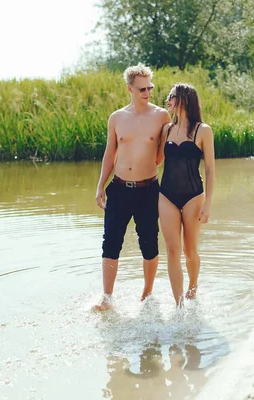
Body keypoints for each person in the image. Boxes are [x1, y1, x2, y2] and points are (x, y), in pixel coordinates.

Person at [94, 63, 171, 311]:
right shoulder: (117, 118)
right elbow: (110, 153)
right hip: (118, 188)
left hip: (148, 189)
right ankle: (107, 299)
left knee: (149, 242)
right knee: (110, 242)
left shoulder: (161, 116)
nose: (147, 93)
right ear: (130, 88)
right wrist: (100, 186)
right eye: (141, 89)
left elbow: (161, 156)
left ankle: (147, 294)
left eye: (150, 88)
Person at [158, 83, 215, 307]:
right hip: (166, 195)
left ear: (183, 99)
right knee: (173, 249)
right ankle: (178, 304)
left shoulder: (203, 130)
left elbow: (210, 168)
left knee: (190, 250)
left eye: (171, 97)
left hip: (193, 196)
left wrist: (208, 203)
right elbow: (155, 159)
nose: (167, 101)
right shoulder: (166, 130)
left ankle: (193, 287)